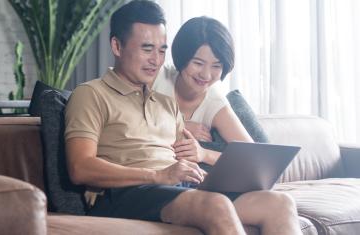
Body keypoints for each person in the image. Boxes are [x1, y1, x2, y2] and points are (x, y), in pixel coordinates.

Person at [64, 1, 301, 234]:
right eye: (147, 49)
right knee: (215, 204)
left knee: (278, 203)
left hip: (175, 191)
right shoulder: (90, 94)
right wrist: (158, 175)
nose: (155, 59)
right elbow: (80, 167)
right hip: (125, 193)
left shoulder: (166, 104)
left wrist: (201, 175)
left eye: (161, 50)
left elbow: (185, 161)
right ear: (117, 46)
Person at [153, 16, 252, 166]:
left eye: (216, 66)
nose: (206, 74)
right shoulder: (157, 77)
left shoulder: (215, 103)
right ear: (181, 57)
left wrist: (205, 154)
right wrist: (180, 126)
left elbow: (251, 157)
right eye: (198, 63)